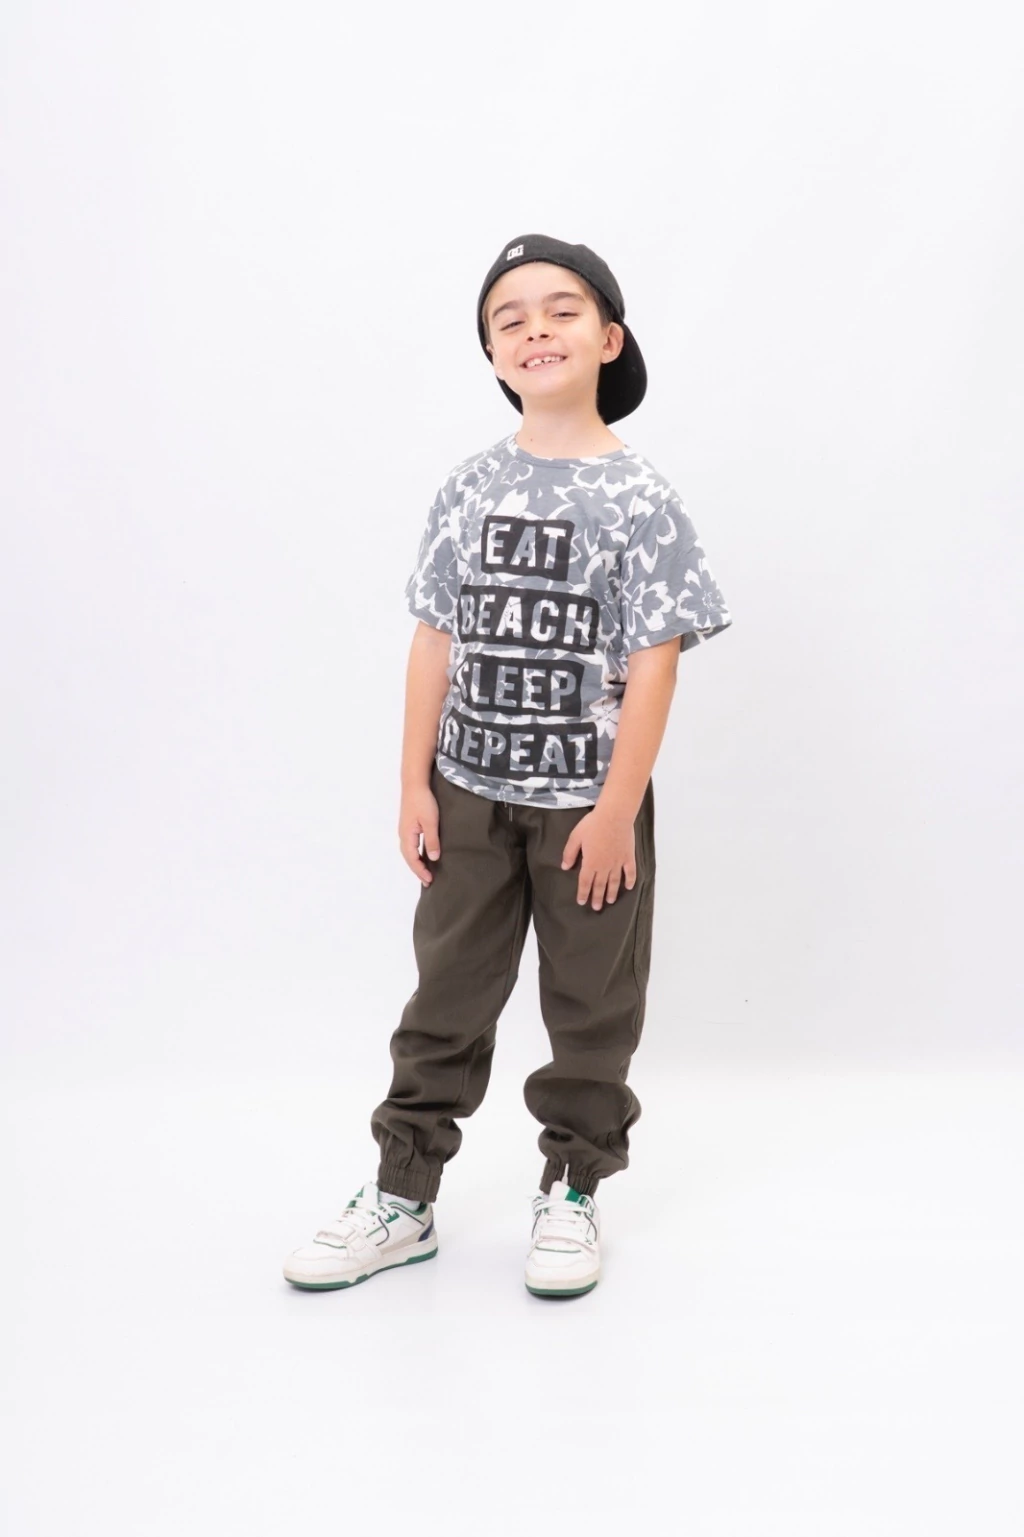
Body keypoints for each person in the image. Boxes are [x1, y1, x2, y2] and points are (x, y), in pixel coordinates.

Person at [283, 233, 733, 1298]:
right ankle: (402, 1196)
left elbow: (654, 660)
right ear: (492, 354)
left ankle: (572, 1187)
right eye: (509, 318)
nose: (536, 328)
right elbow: (434, 636)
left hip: (587, 807)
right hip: (470, 796)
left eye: (562, 309)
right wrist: (413, 782)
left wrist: (618, 807)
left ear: (609, 338)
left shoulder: (641, 497)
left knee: (591, 1007)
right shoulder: (469, 485)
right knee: (445, 997)